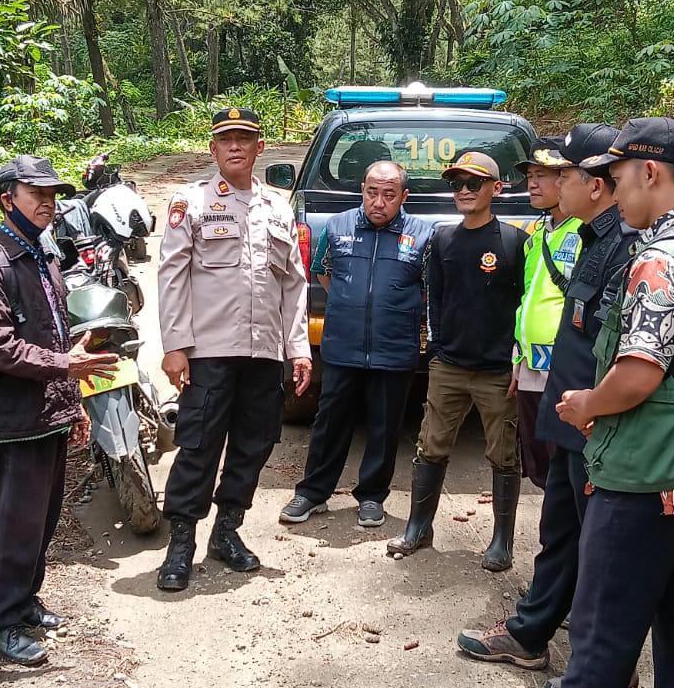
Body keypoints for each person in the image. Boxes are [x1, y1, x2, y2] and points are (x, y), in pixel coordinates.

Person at [455, 117, 674, 688]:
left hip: (642, 474)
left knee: (604, 630)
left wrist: (585, 404)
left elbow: (636, 376)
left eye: (620, 173)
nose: (612, 186)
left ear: (650, 174)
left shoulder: (662, 260)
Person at [456, 125, 639, 688]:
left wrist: (592, 408)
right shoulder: (585, 238)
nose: (554, 183)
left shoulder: (624, 248)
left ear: (595, 184)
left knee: (601, 550)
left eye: (564, 174)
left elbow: (623, 352)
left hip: (595, 426)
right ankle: (531, 635)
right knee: (560, 533)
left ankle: (610, 673)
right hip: (568, 416)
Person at [0, 155, 118, 666]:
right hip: (12, 416)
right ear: (8, 199)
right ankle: (0, 619)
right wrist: (64, 364)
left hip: (47, 409)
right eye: (35, 194)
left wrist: (73, 399)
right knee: (11, 519)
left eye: (52, 194)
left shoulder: (42, 254)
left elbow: (51, 334)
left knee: (42, 517)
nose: (47, 203)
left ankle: (24, 600)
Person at [156, 107, 311, 592]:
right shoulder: (194, 202)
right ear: (214, 149)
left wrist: (299, 347)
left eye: (245, 138)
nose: (236, 146)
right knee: (199, 445)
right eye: (227, 140)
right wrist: (176, 344)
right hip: (210, 350)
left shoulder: (278, 208)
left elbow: (294, 283)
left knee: (254, 443)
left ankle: (228, 532)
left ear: (260, 147)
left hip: (264, 352)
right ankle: (180, 543)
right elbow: (171, 275)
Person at [386, 151, 527, 572]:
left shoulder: (515, 242)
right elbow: (437, 297)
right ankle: (418, 527)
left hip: (498, 370)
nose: (464, 191)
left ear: (496, 189)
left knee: (504, 454)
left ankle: (502, 540)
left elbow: (524, 303)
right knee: (430, 446)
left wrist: (517, 356)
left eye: (474, 183)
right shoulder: (443, 238)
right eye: (457, 184)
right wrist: (437, 348)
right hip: (448, 366)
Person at [279, 161, 434, 528]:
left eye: (389, 194)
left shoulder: (425, 235)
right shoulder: (337, 226)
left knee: (384, 427)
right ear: (362, 190)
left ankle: (371, 497)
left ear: (404, 197)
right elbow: (321, 270)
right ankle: (312, 493)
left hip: (394, 347)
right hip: (343, 345)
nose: (378, 202)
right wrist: (352, 306)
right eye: (371, 192)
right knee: (330, 422)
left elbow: (429, 288)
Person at [511, 136, 583, 489]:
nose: (533, 183)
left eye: (544, 175)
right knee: (539, 466)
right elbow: (528, 298)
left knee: (566, 467)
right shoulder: (537, 232)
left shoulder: (585, 233)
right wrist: (517, 358)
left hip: (564, 370)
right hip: (530, 366)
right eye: (530, 175)